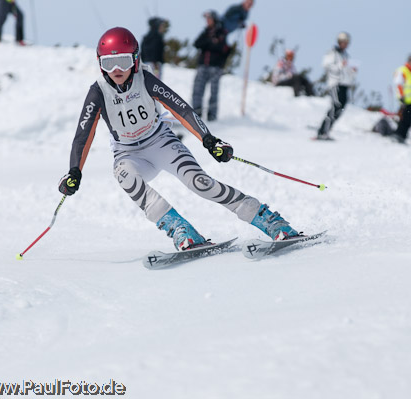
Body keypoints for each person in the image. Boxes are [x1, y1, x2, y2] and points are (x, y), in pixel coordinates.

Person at [58, 27, 301, 252]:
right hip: (129, 153)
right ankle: (182, 231)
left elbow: (181, 109)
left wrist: (209, 140)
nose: (116, 70)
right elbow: (83, 135)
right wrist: (74, 171)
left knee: (200, 183)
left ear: (135, 59)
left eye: (122, 61)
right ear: (100, 65)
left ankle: (270, 221)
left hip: (160, 142)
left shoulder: (145, 79)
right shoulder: (98, 92)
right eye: (108, 63)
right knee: (124, 175)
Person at [316, 32, 357, 140]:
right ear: (339, 42)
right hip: (335, 84)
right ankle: (322, 131)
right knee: (336, 106)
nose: (345, 44)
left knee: (341, 108)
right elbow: (327, 66)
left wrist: (352, 71)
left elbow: (348, 72)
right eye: (343, 42)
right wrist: (340, 65)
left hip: (345, 84)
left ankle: (327, 130)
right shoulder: (332, 53)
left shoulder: (346, 56)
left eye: (346, 42)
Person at [191, 11, 231, 122]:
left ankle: (212, 114)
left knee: (214, 91)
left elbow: (221, 48)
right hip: (203, 65)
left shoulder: (221, 33)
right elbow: (197, 43)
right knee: (198, 89)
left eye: (209, 19)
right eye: (206, 19)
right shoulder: (205, 32)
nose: (207, 21)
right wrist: (210, 42)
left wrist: (209, 44)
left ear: (215, 20)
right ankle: (197, 111)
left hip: (215, 67)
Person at [391, 54, 411, 143]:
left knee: (409, 120)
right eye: (410, 60)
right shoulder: (403, 70)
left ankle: (403, 136)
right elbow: (398, 84)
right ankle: (398, 134)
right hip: (406, 100)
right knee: (404, 119)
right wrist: (401, 97)